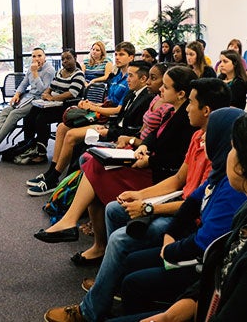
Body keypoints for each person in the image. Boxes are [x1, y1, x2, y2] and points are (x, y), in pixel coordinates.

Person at [42, 106, 241, 322]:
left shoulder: (230, 188)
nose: (188, 108)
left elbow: (203, 237)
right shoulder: (216, 165)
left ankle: (91, 309)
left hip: (194, 241)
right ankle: (107, 281)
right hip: (182, 215)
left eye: (192, 102)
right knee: (111, 208)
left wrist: (149, 209)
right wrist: (141, 197)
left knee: (120, 240)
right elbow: (190, 197)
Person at [33, 66, 198, 250]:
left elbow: (176, 160)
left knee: (94, 167)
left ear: (181, 93)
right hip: (147, 162)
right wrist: (143, 145)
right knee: (92, 162)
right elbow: (153, 137)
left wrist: (146, 156)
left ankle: (77, 227)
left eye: (166, 87)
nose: (160, 89)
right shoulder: (171, 111)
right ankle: (85, 234)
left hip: (157, 174)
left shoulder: (187, 119)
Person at [108, 113, 247, 322]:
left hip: (198, 262)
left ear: (241, 165)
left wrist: (169, 247)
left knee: (123, 247)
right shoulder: (229, 189)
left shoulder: (233, 195)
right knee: (129, 254)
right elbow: (191, 203)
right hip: (203, 290)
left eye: (233, 147)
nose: (202, 138)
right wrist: (170, 236)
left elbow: (208, 249)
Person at [26, 42, 135, 195]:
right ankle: (51, 171)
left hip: (110, 121)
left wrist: (93, 108)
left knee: (70, 134)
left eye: (121, 54)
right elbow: (108, 102)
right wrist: (91, 103)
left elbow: (118, 110)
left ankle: (54, 178)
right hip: (101, 114)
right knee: (62, 127)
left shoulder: (130, 80)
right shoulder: (117, 77)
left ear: (131, 57)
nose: (117, 57)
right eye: (116, 54)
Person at [0, 47, 55, 155]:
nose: (37, 58)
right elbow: (24, 84)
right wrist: (17, 94)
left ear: (45, 57)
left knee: (14, 114)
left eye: (39, 55)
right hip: (27, 97)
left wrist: (35, 73)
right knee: (6, 110)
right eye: (34, 56)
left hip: (39, 100)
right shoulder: (31, 68)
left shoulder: (49, 70)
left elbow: (43, 90)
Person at [22, 48, 86, 163]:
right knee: (29, 116)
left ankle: (41, 153)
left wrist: (52, 98)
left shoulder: (79, 74)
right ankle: (29, 146)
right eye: (63, 59)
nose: (65, 61)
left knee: (41, 119)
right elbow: (50, 87)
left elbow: (71, 93)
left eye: (68, 58)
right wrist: (46, 94)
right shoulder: (59, 72)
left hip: (67, 106)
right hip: (53, 104)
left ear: (75, 58)